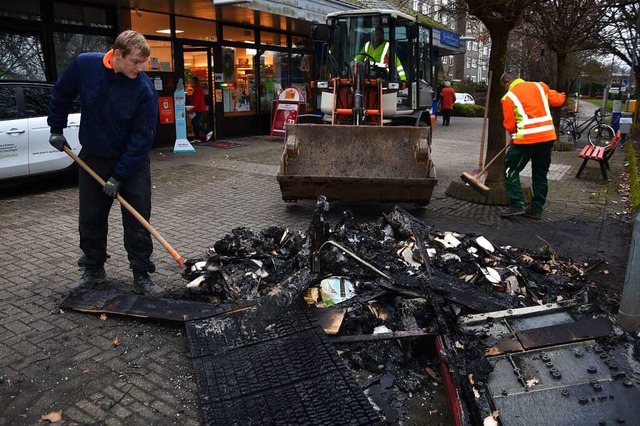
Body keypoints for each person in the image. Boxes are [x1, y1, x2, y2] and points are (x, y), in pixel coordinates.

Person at [48, 30, 163, 295]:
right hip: (94, 157)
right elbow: (62, 93)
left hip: (131, 164)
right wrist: (56, 127)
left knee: (137, 219)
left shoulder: (143, 89)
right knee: (91, 218)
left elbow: (142, 139)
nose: (140, 67)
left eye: (143, 62)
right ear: (118, 55)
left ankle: (141, 274)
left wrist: (119, 176)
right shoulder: (85, 65)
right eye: (135, 61)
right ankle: (93, 270)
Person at [499, 72, 566, 219]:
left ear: (508, 81)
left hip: (527, 139)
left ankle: (517, 204)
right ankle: (536, 210)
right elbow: (558, 101)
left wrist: (514, 136)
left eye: (504, 85)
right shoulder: (540, 86)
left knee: (510, 169)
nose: (505, 89)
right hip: (547, 137)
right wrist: (562, 95)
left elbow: (510, 125)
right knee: (540, 174)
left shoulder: (508, 97)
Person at [189, 76, 212, 142]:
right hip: (198, 109)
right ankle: (197, 138)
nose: (190, 83)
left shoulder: (197, 89)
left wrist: (192, 108)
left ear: (194, 82)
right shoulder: (198, 89)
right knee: (195, 123)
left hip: (198, 109)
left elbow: (196, 100)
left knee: (196, 123)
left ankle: (207, 131)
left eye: (191, 81)